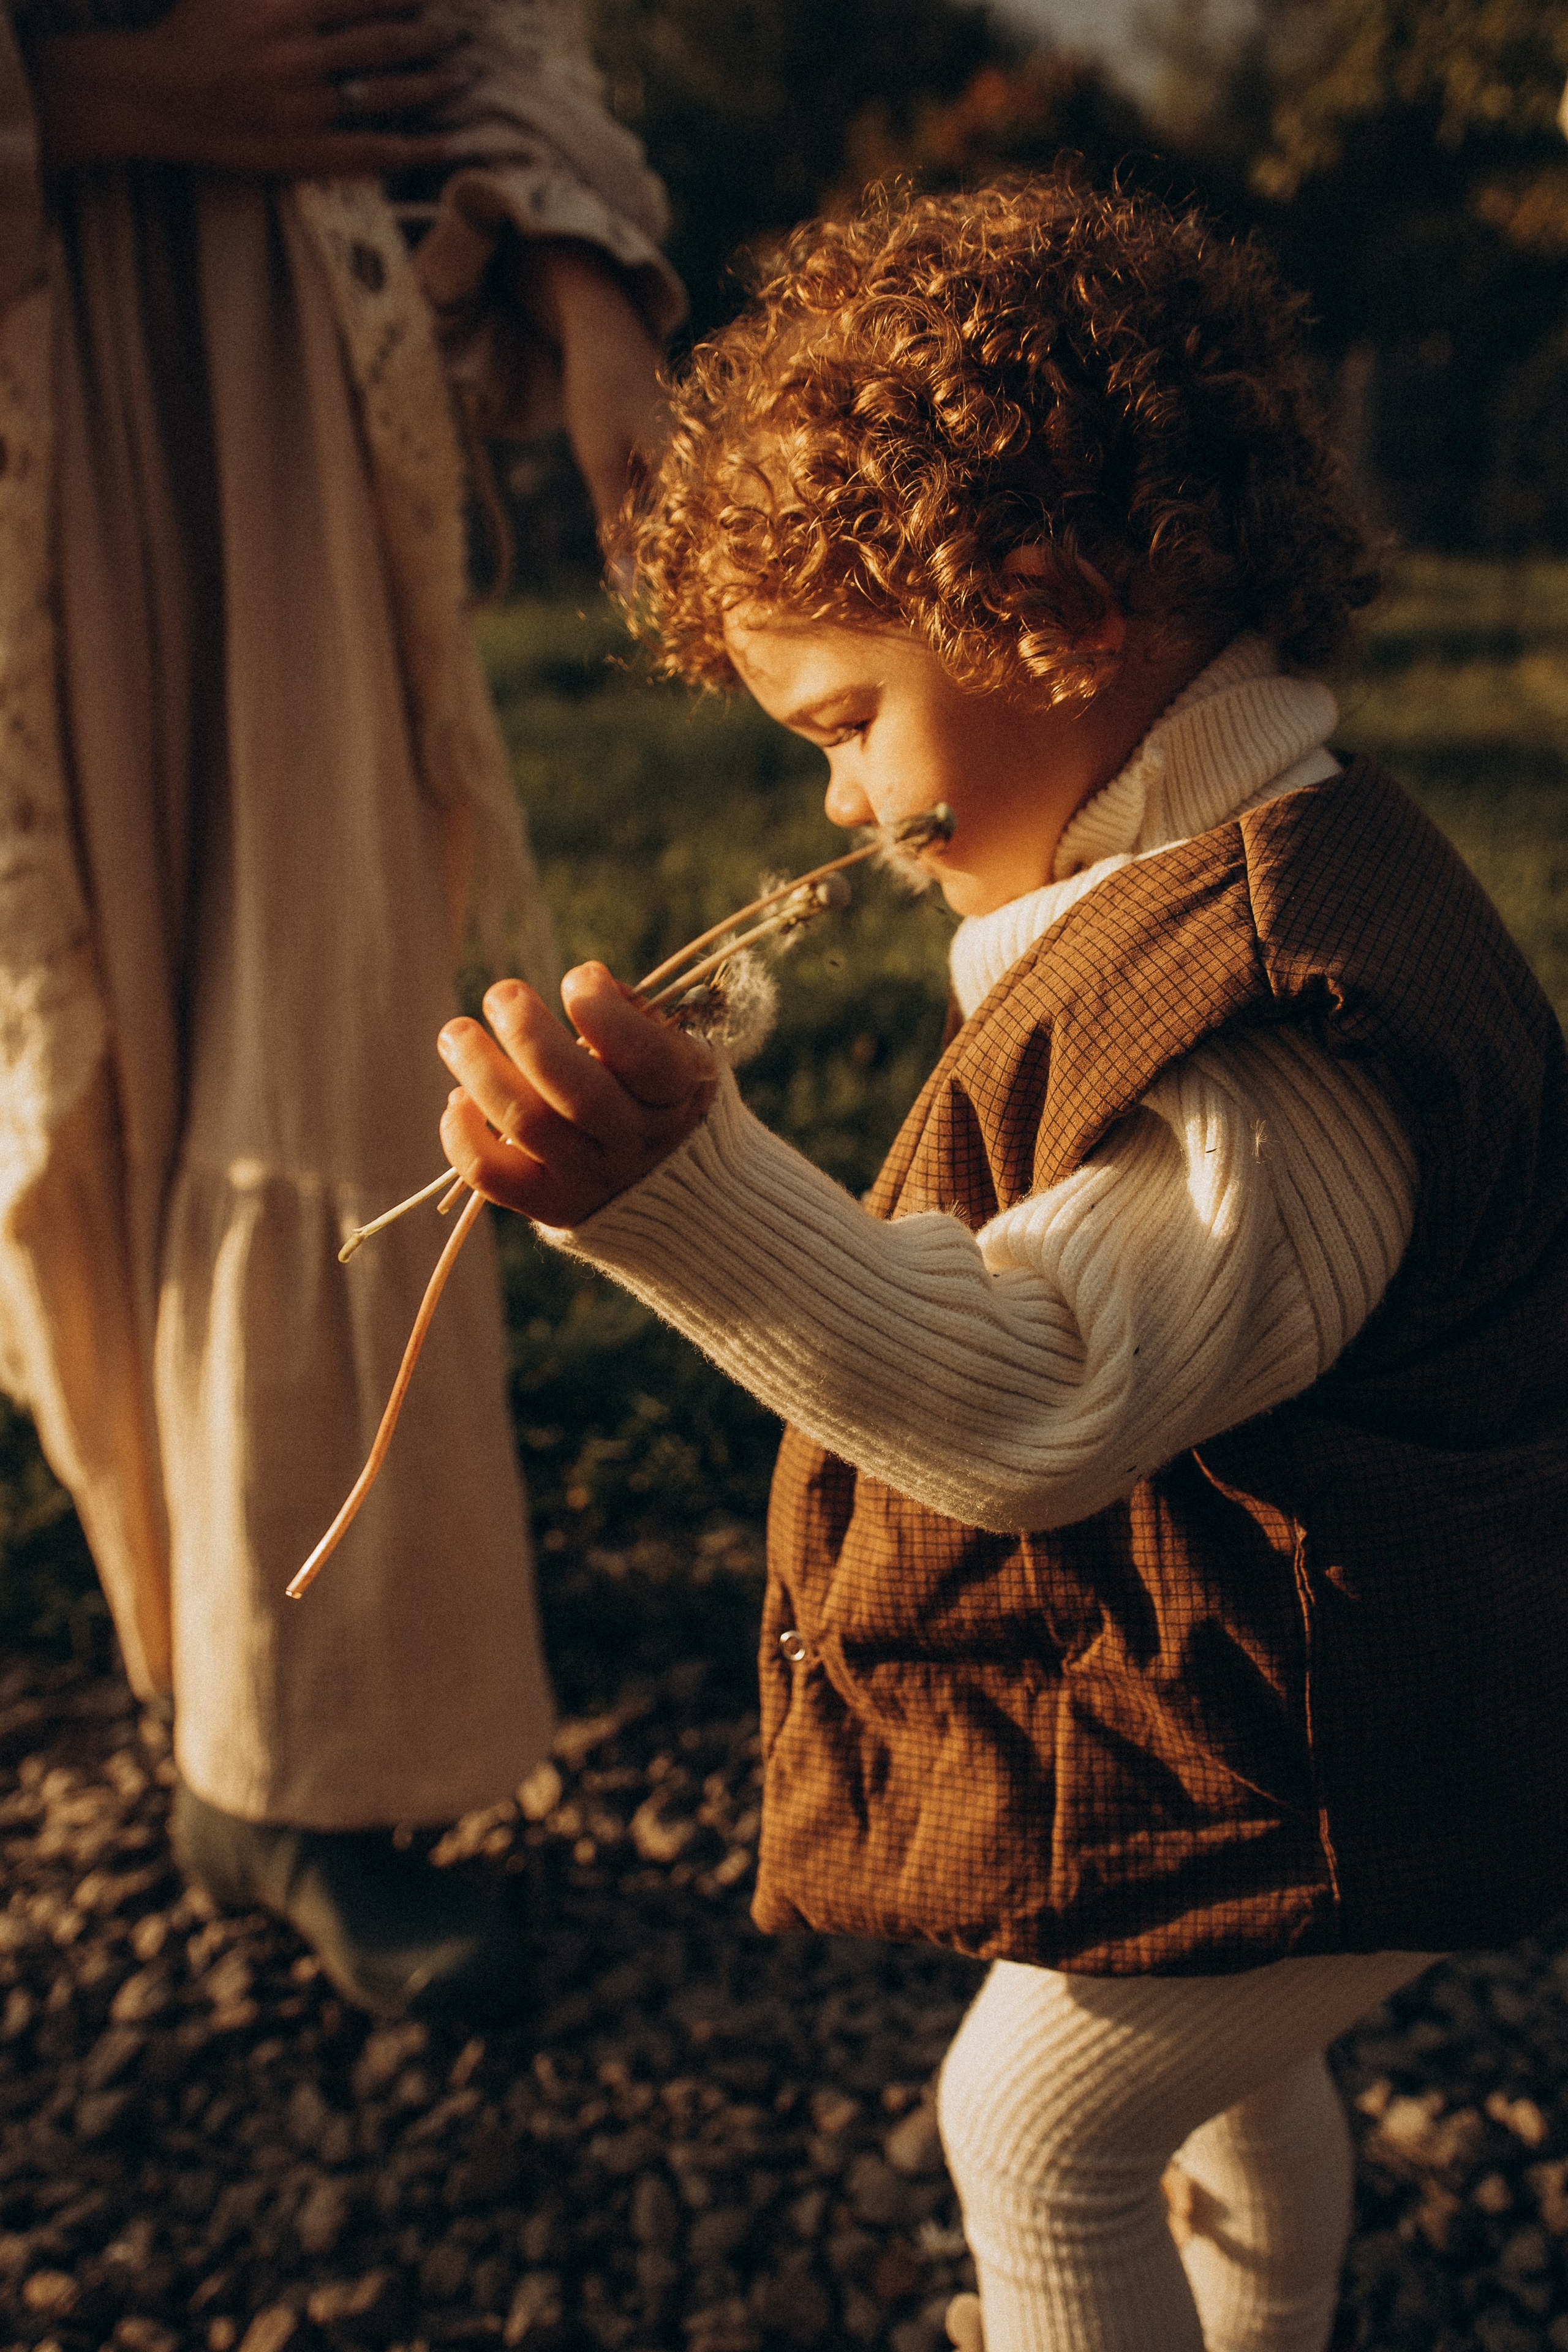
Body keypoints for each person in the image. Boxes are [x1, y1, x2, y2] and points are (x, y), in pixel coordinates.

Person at [435, 177, 1568, 2351]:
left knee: (1036, 2128)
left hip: (1377, 1736)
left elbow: (1046, 1395)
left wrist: (679, 1196)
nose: (847, 807)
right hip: (1301, 1689)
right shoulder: (1208, 873)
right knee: (1223, 2086)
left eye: (849, 723)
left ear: (1048, 617)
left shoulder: (1271, 1030)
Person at [0, 0, 683, 2013]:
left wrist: (589, 304)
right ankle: (220, 1662)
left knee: (329, 1032)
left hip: (278, 384)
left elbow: (456, 37)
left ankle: (305, 1758)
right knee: (80, 1052)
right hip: (39, 363)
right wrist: (82, 97)